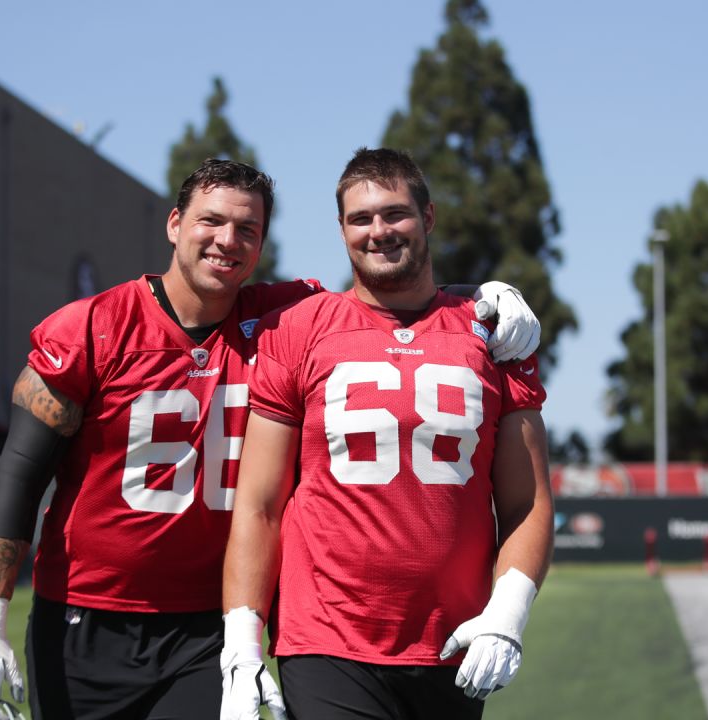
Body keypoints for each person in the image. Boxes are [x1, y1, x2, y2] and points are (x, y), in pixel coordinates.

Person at [0, 158, 543, 720]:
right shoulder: (92, 327)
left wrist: (485, 297)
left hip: (209, 621)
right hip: (86, 612)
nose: (228, 240)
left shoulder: (284, 317)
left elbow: (392, 286)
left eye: (247, 229)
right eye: (211, 221)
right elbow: (20, 475)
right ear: (175, 224)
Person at [221, 148, 554, 720]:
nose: (379, 231)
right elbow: (259, 506)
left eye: (395, 214)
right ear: (342, 229)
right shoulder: (299, 329)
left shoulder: (492, 333)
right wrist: (241, 647)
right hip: (326, 640)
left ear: (428, 216)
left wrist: (509, 613)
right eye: (360, 218)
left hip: (453, 641)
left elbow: (527, 503)